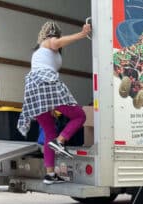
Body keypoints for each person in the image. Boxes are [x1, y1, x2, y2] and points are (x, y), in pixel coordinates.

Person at [17, 21, 91, 185]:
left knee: (49, 131)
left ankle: (50, 174)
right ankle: (61, 141)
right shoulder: (49, 43)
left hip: (35, 93)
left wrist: (49, 107)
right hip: (47, 85)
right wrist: (82, 34)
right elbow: (56, 42)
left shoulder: (39, 51)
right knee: (79, 116)